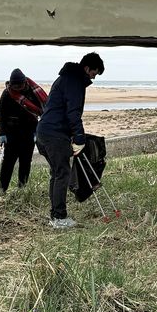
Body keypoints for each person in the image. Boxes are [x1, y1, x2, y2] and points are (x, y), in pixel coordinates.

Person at [35, 52, 105, 229]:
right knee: (62, 174)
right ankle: (59, 217)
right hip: (54, 135)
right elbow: (73, 113)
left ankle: (55, 215)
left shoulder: (65, 78)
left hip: (44, 132)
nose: (93, 78)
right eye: (93, 74)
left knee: (57, 173)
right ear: (87, 68)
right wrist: (79, 138)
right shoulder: (74, 81)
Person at [0, 67, 48, 194]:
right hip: (11, 132)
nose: (17, 89)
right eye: (15, 86)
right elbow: (1, 115)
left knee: (25, 161)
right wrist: (2, 134)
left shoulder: (33, 92)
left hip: (29, 131)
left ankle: (22, 188)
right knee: (8, 162)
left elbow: (43, 111)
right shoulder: (7, 94)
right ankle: (2, 189)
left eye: (19, 86)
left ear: (24, 83)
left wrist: (38, 131)